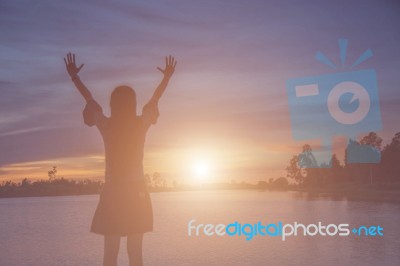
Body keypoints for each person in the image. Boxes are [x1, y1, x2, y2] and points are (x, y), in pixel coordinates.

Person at [64, 52, 177, 266]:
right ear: (132, 104)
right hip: (137, 192)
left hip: (114, 192)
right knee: (135, 253)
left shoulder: (106, 126)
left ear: (113, 104)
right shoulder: (140, 123)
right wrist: (167, 78)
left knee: (110, 253)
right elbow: (155, 98)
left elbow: (89, 98)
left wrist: (74, 77)